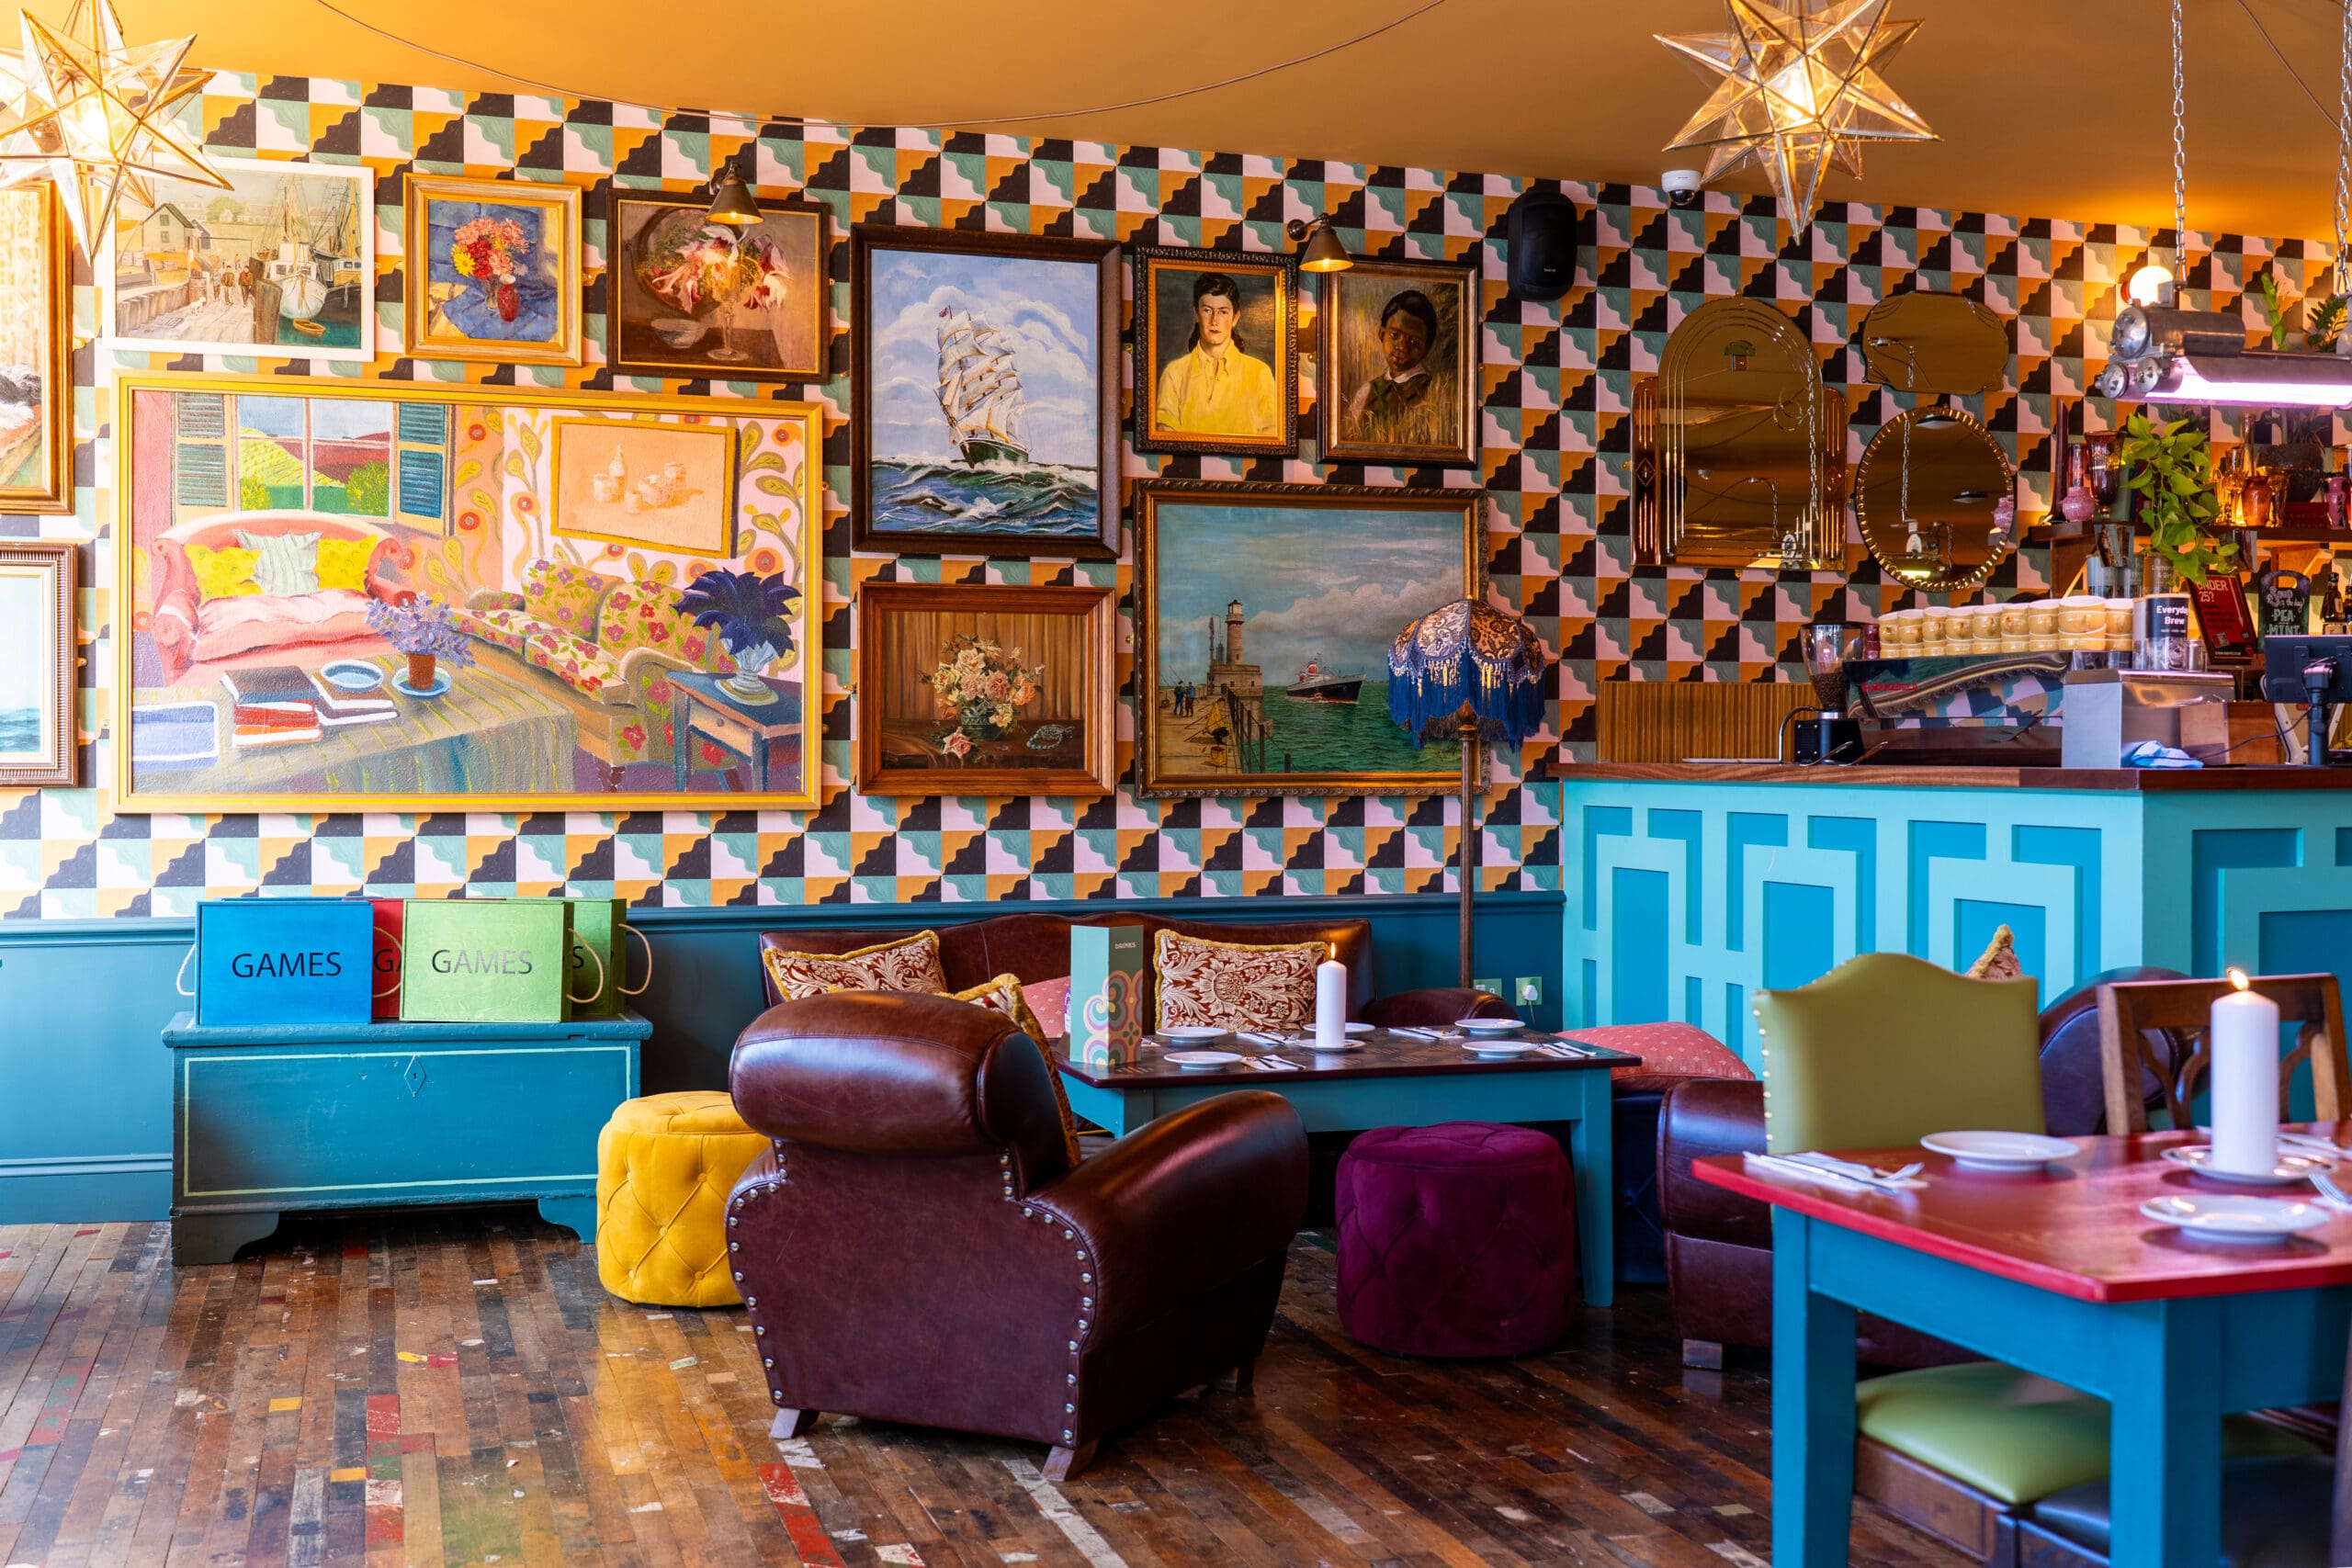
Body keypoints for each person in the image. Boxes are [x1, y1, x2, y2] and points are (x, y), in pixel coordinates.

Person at [1153, 272, 1278, 438]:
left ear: (1235, 318)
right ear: (1196, 314)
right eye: (1207, 310)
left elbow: (1271, 437)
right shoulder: (1174, 373)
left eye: (1223, 312)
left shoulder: (1259, 373)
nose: (1214, 321)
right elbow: (1166, 438)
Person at [1343, 288, 1450, 447]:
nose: (1402, 347)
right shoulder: (1367, 390)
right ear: (1381, 333)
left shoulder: (1433, 392)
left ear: (1426, 350)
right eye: (1395, 335)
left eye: (1414, 342)